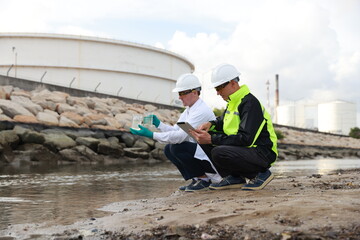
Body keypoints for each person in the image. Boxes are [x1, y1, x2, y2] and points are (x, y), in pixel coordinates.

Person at [190, 63, 278, 191]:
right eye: (216, 88)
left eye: (219, 87)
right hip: (247, 150)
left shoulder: (249, 103)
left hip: (263, 152)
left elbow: (246, 139)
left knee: (218, 150)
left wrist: (212, 139)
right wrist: (211, 124)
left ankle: (261, 174)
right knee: (203, 142)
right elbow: (224, 120)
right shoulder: (233, 102)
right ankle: (234, 177)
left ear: (232, 83)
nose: (217, 92)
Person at [130, 73, 221, 192]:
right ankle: (197, 178)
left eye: (183, 93)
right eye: (179, 93)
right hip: (201, 151)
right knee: (169, 149)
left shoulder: (201, 111)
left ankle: (204, 179)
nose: (180, 97)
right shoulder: (189, 110)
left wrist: (151, 135)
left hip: (210, 154)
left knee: (177, 148)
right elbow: (176, 130)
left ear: (194, 92)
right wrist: (158, 124)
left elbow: (180, 137)